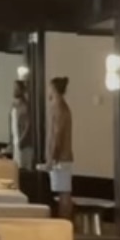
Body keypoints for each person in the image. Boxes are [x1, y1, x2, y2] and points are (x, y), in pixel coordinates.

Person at [46, 75, 74, 220]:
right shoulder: (61, 107)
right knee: (63, 192)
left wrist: (52, 157)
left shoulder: (59, 108)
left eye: (49, 88)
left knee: (64, 193)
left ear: (54, 89)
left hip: (61, 158)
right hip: (62, 157)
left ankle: (65, 221)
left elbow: (57, 134)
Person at [10, 82, 34, 173]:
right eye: (14, 87)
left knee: (24, 171)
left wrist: (21, 140)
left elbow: (28, 125)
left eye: (16, 88)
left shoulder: (25, 106)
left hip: (24, 146)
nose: (14, 90)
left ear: (21, 90)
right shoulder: (14, 106)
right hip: (16, 144)